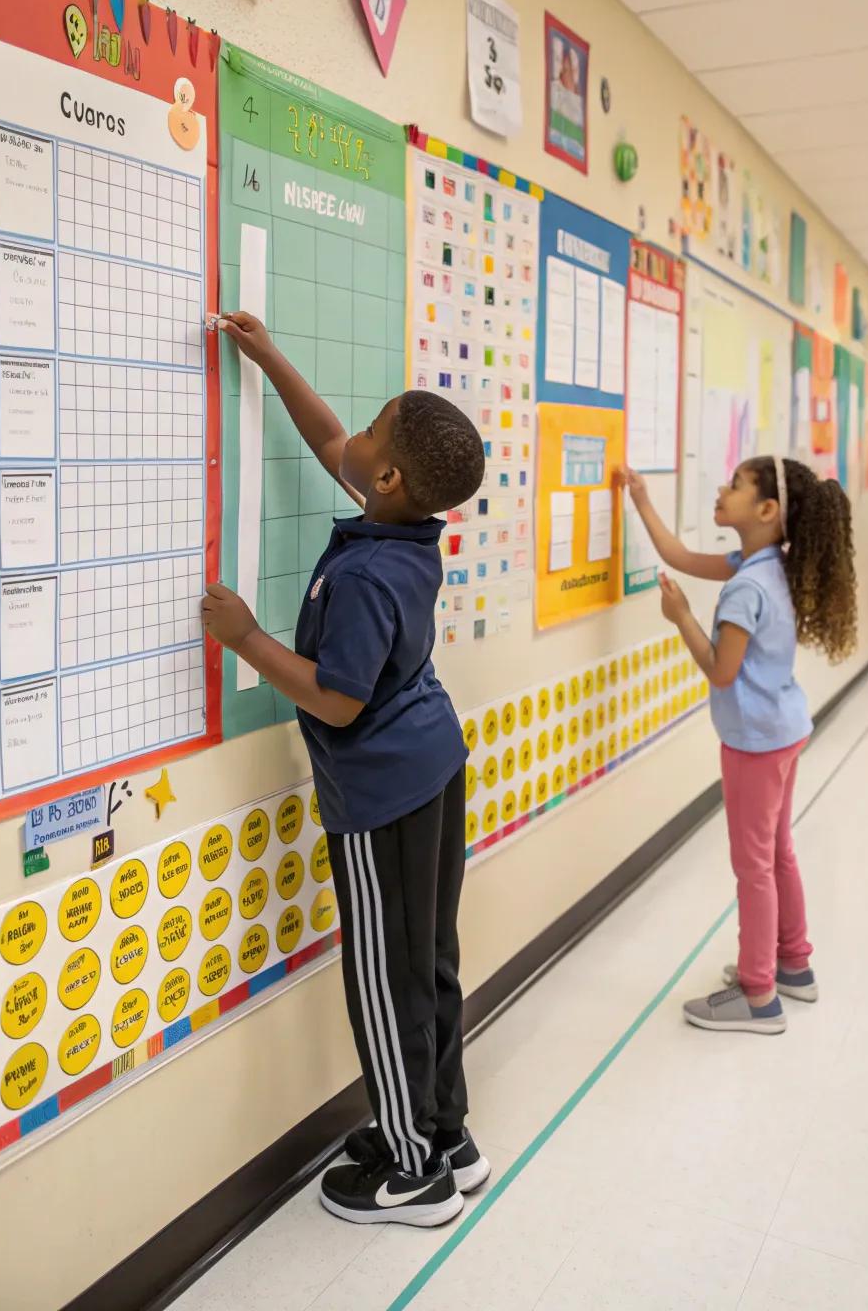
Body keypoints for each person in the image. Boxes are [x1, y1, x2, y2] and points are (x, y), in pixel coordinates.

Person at [201, 311, 490, 1226]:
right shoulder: (402, 529)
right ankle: (446, 1131)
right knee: (428, 960)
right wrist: (269, 355)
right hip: (434, 766)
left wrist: (245, 638)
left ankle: (415, 1172)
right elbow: (328, 436)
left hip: (383, 795)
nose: (351, 440)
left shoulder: (367, 576)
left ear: (390, 476)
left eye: (372, 434)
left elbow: (338, 699)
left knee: (383, 976)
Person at [622, 457, 857, 1035]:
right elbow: (678, 555)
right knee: (777, 854)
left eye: (735, 486)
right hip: (783, 730)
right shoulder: (768, 564)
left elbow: (720, 671)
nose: (721, 492)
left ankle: (758, 995)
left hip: (753, 742)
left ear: (767, 511)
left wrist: (680, 617)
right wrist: (641, 499)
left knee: (753, 867)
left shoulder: (744, 589)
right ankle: (793, 964)